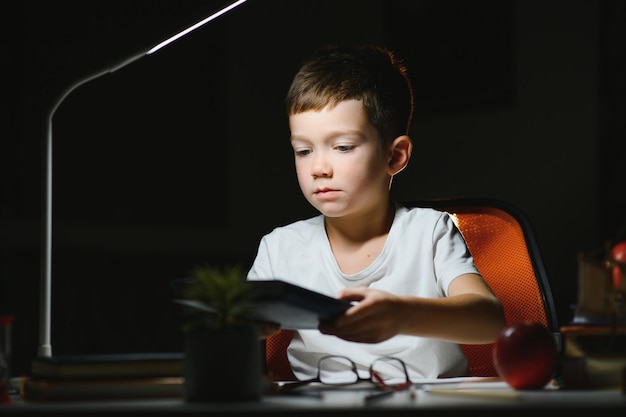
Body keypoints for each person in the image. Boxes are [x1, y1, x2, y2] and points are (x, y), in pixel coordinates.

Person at [247, 44, 506, 382]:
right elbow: (230, 325)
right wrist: (242, 324)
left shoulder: (428, 232)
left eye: (342, 147)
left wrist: (402, 314)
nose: (318, 168)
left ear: (395, 156)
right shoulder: (280, 247)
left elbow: (490, 320)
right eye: (303, 150)